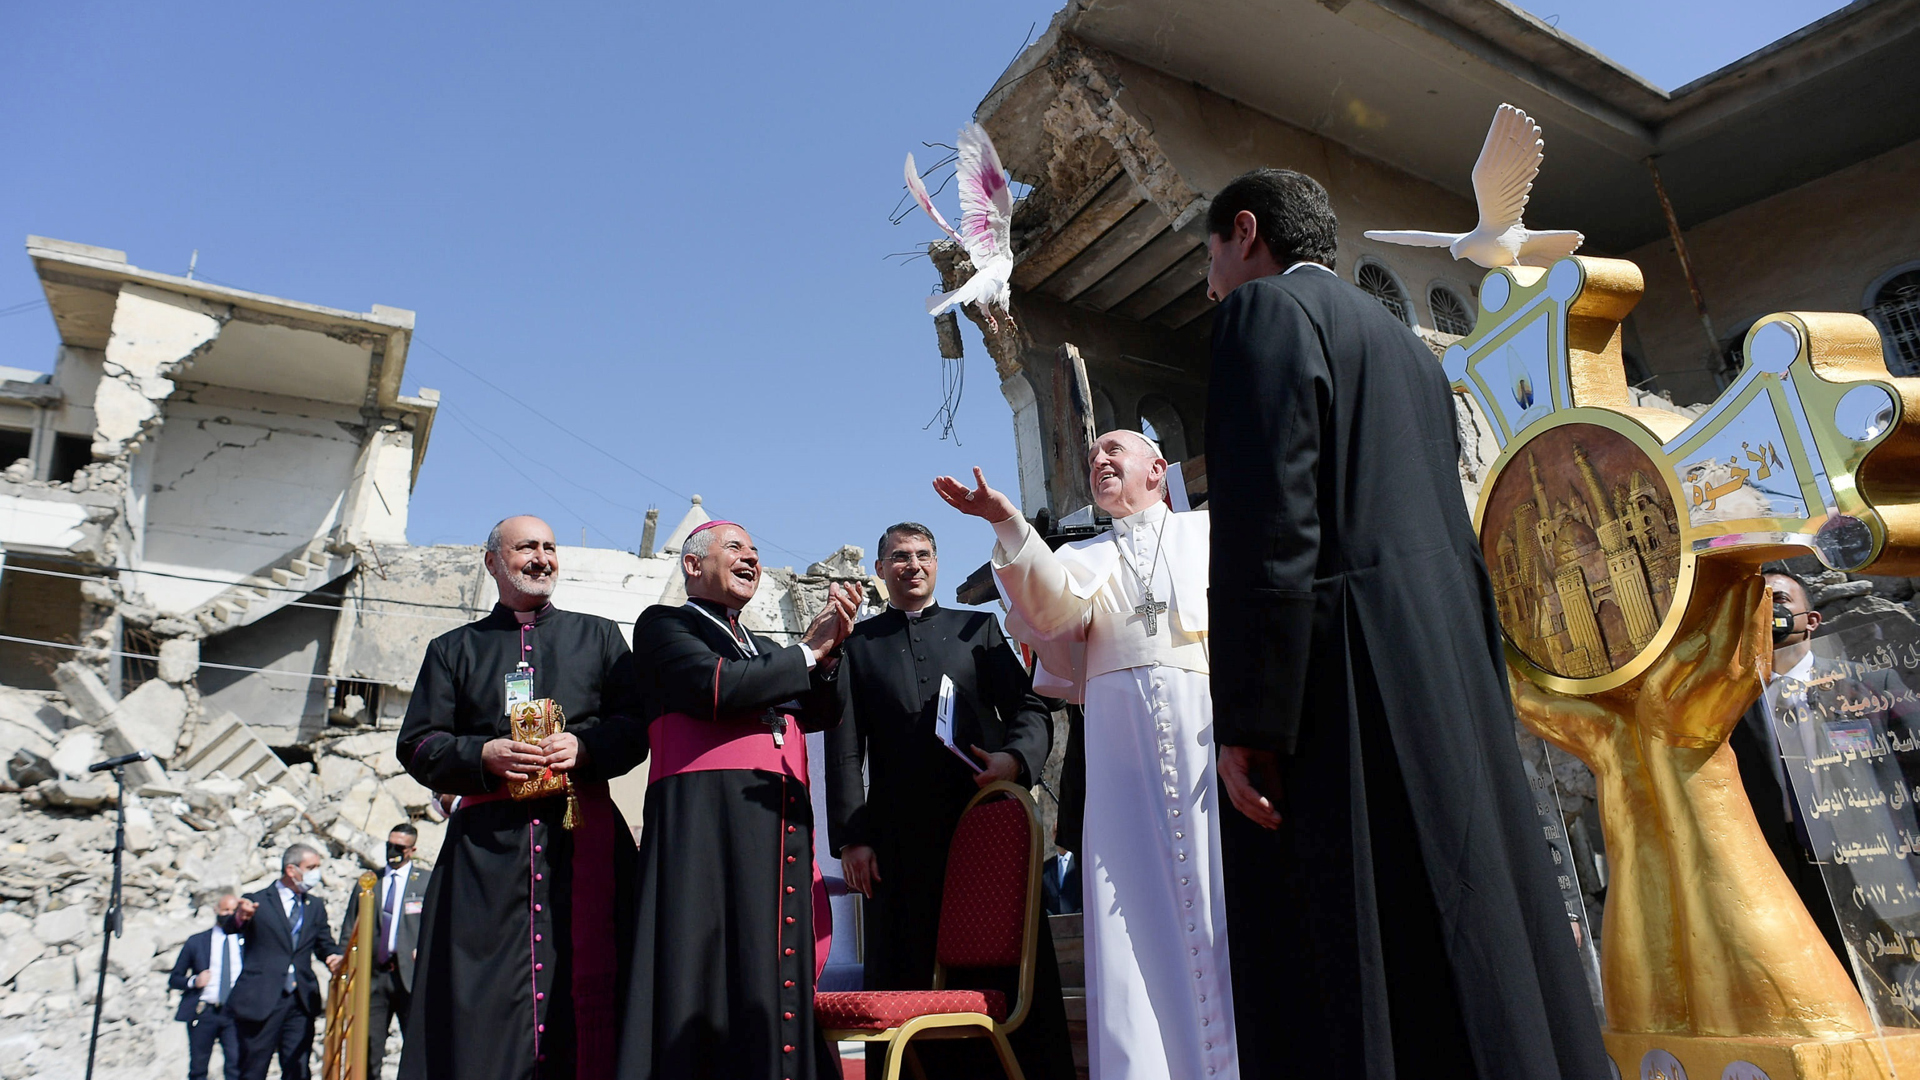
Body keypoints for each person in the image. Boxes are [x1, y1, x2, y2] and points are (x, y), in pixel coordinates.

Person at [1201, 166, 1608, 1079]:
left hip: (1345, 670)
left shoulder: (1263, 316)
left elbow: (1273, 522)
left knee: (1360, 945)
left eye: (1212, 254)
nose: (1211, 278)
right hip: (1444, 664)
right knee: (1471, 918)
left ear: (1246, 231)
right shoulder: (1408, 350)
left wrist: (1251, 721)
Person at [934, 431, 1235, 1080]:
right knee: (1131, 932)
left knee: (1225, 909)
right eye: (1091, 452)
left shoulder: (1210, 535)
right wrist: (1006, 520)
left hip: (1206, 742)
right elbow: (1047, 605)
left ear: (1158, 469)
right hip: (1121, 762)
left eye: (1115, 450)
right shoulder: (1086, 555)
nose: (1098, 458)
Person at [396, 515, 647, 1080]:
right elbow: (417, 743)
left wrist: (582, 748)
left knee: (593, 986)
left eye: (550, 547)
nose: (542, 558)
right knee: (479, 999)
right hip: (486, 859)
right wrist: (483, 755)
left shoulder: (601, 636)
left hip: (584, 842)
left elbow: (636, 725)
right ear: (493, 562)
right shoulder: (453, 649)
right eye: (526, 547)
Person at [824, 521, 1075, 1080]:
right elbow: (844, 751)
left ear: (936, 563)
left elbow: (1032, 709)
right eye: (898, 557)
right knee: (906, 974)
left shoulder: (978, 631)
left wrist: (1014, 761)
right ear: (881, 569)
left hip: (984, 829)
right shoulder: (859, 646)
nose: (911, 565)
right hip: (898, 847)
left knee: (1002, 970)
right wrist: (853, 838)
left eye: (922, 555)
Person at [616, 520, 860, 1080]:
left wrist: (832, 652)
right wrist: (809, 650)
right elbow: (716, 687)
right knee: (705, 974)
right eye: (735, 548)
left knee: (774, 972)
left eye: (754, 549)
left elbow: (821, 712)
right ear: (693, 565)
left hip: (774, 828)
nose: (752, 557)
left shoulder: (766, 646)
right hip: (704, 829)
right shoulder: (664, 625)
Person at [221, 846, 343, 1080]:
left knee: (297, 1067)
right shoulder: (257, 901)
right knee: (252, 1068)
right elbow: (231, 926)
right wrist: (239, 916)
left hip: (300, 1000)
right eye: (311, 868)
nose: (316, 874)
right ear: (291, 869)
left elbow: (323, 942)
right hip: (262, 998)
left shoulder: (314, 906)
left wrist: (332, 956)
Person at [339, 823, 429, 1078]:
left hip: (410, 975)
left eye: (399, 847)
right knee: (368, 1046)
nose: (392, 851)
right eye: (389, 845)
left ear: (412, 850)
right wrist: (343, 959)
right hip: (375, 976)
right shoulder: (369, 882)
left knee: (416, 1044)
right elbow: (350, 926)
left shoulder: (425, 882)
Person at [168, 892, 243, 1080]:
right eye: (225, 909)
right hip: (204, 1012)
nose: (229, 914)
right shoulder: (197, 941)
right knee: (198, 1068)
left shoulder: (246, 941)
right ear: (216, 910)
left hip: (235, 1013)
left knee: (236, 1066)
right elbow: (174, 978)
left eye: (233, 911)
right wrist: (194, 981)